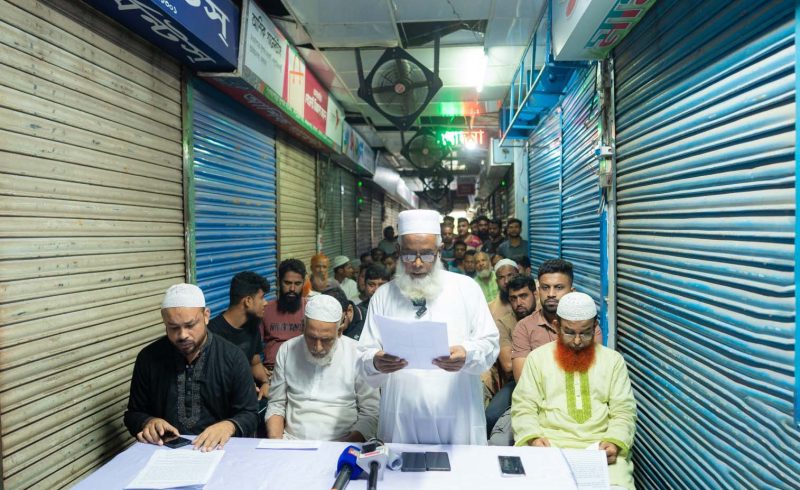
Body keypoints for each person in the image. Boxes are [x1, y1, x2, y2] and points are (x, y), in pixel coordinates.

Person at [357, 209, 499, 445]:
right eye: (409, 255)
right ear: (399, 251)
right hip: (402, 416)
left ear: (439, 250)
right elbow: (363, 354)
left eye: (426, 254)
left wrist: (467, 354)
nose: (418, 263)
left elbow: (490, 344)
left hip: (457, 415)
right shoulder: (383, 296)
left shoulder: (466, 289)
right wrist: (376, 361)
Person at [512, 292, 636, 489]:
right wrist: (534, 438)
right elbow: (523, 407)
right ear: (556, 327)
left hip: (600, 449)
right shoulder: (537, 358)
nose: (577, 341)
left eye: (585, 333)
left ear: (594, 327)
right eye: (569, 332)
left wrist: (614, 441)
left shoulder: (613, 361)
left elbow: (624, 410)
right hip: (550, 447)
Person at [124, 284, 258, 451]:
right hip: (164, 452)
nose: (182, 335)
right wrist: (148, 422)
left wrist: (229, 426)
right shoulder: (148, 358)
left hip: (218, 451)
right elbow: (133, 414)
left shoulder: (233, 357)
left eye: (190, 325)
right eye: (173, 327)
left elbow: (250, 414)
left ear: (206, 316)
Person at [267, 295, 380, 441]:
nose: (318, 347)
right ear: (303, 327)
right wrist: (276, 443)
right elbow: (276, 405)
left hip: (343, 443)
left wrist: (343, 448)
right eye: (311, 337)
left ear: (339, 331)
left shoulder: (358, 354)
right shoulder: (287, 350)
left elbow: (371, 413)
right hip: (291, 442)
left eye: (326, 340)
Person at [511, 259, 601, 382]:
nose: (551, 294)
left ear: (572, 292)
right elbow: (523, 380)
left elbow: (594, 373)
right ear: (538, 291)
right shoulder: (524, 327)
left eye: (559, 287)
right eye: (545, 288)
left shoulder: (586, 328)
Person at [484, 275, 538, 439]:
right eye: (513, 298)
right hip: (516, 380)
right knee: (491, 416)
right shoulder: (504, 323)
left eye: (523, 296)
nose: (518, 302)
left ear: (535, 295)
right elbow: (508, 364)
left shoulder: (546, 317)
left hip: (549, 379)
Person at [207, 271, 270, 402]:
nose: (266, 303)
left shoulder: (253, 326)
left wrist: (265, 383)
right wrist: (242, 388)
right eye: (262, 297)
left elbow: (255, 363)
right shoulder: (211, 333)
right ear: (248, 301)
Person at [262, 259, 308, 371]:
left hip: (303, 370)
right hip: (272, 370)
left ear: (303, 283)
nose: (292, 289)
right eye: (287, 283)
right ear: (279, 282)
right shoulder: (265, 310)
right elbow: (253, 349)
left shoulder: (310, 309)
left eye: (297, 284)